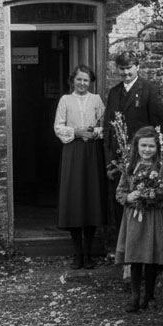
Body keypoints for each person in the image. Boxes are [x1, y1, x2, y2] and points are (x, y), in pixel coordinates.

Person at [103, 50, 163, 230]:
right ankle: (121, 248)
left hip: (142, 157)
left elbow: (158, 126)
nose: (125, 73)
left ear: (137, 67)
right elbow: (108, 128)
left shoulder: (149, 90)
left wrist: (155, 158)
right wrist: (109, 162)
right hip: (118, 160)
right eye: (121, 69)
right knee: (119, 200)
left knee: (140, 201)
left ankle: (140, 248)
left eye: (129, 68)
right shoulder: (114, 92)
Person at [54, 64, 108, 269]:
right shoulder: (65, 100)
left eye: (86, 80)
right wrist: (77, 133)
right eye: (79, 79)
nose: (83, 83)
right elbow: (58, 126)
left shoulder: (96, 100)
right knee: (74, 199)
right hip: (73, 152)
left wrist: (94, 132)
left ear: (90, 82)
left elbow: (106, 124)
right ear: (73, 80)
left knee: (90, 198)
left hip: (92, 152)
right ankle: (77, 253)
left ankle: (89, 253)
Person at [115, 125, 163, 313]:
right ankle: (134, 296)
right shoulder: (130, 168)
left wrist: (153, 194)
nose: (147, 150)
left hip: (153, 217)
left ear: (157, 148)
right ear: (136, 147)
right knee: (136, 256)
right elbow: (120, 191)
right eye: (143, 146)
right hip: (134, 217)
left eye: (151, 146)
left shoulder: (161, 169)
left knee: (150, 256)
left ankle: (149, 295)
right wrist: (128, 197)